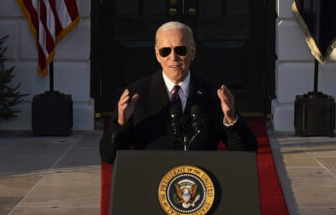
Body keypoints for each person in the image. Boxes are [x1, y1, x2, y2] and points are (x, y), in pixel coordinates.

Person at [100, 22, 256, 158]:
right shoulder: (136, 94)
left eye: (180, 50)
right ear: (157, 54)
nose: (173, 58)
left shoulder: (212, 95)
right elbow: (109, 155)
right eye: (165, 51)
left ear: (192, 52)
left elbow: (247, 150)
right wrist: (121, 123)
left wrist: (231, 119)